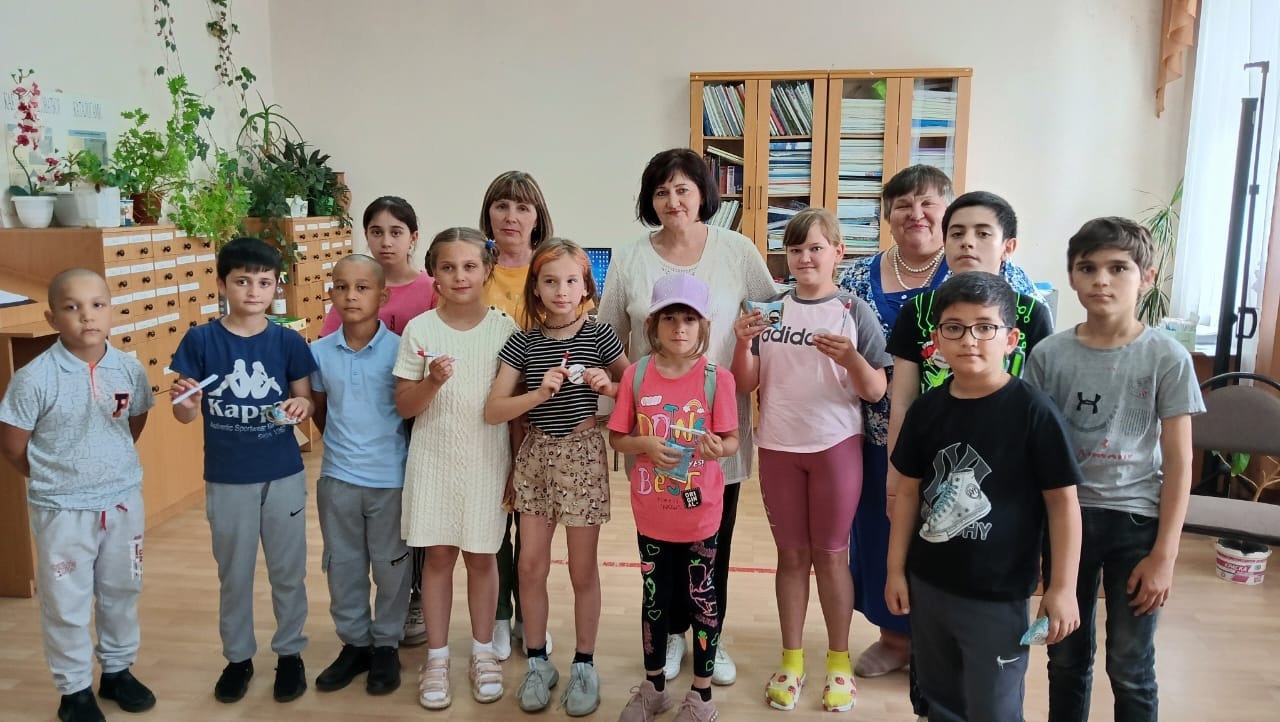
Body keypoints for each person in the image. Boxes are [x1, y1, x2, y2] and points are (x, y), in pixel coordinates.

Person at [836, 167, 1040, 700]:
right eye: (902, 204)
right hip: (885, 436)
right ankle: (899, 639)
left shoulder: (1006, 288)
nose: (916, 214)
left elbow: (1031, 373)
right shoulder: (861, 279)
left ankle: (963, 648)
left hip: (986, 451)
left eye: (928, 203)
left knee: (968, 541)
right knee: (887, 538)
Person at [597, 148, 776, 685]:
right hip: (653, 434)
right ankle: (672, 633)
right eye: (660, 192)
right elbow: (609, 334)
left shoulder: (737, 250)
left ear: (703, 194)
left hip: (716, 434)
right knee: (661, 542)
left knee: (711, 542)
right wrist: (641, 387)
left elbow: (770, 315)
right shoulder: (630, 257)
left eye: (682, 189)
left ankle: (708, 636)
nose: (672, 201)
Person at [1025, 217, 1205, 722]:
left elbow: (1180, 460)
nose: (1101, 280)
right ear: (1071, 276)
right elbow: (1033, 452)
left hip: (1137, 524)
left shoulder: (1167, 357)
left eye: (1118, 268)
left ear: (1146, 277)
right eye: (1087, 268)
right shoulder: (1049, 354)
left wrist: (1165, 555)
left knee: (1130, 663)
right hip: (1067, 521)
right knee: (1065, 657)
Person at [885, 272, 1083, 722]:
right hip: (930, 586)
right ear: (937, 339)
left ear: (1011, 339)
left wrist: (1062, 587)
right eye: (954, 327)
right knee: (940, 702)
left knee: (993, 707)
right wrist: (896, 570)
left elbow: (1063, 504)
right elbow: (909, 492)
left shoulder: (1034, 412)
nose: (969, 339)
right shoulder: (927, 410)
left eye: (985, 327)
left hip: (999, 595)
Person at [730, 208, 890, 713]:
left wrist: (851, 358)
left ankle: (839, 662)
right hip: (778, 447)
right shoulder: (769, 309)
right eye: (795, 249)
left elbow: (876, 389)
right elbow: (745, 383)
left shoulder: (852, 309)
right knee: (792, 556)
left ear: (838, 252)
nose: (804, 258)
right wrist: (742, 342)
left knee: (832, 554)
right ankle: (792, 660)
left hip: (835, 446)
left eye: (815, 248)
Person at [0, 269, 156, 722]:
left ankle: (118, 670)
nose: (87, 316)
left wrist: (109, 466)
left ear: (111, 311)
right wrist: (58, 479)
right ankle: (74, 691)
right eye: (72, 307)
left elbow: (134, 421)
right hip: (63, 510)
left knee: (122, 590)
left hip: (122, 501)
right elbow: (13, 445)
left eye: (97, 305)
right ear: (52, 318)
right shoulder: (35, 378)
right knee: (66, 602)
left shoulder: (128, 368)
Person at [484, 238, 630, 715]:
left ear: (586, 286)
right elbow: (494, 409)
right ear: (536, 288)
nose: (561, 290)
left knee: (583, 570)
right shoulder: (522, 342)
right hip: (535, 456)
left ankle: (585, 663)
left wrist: (610, 387)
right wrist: (536, 395)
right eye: (550, 281)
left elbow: (638, 387)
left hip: (583, 456)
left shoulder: (600, 334)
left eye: (571, 280)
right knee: (530, 567)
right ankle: (538, 661)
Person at [170, 237, 318, 705]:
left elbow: (305, 401)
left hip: (282, 473)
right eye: (242, 281)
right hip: (227, 477)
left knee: (288, 571)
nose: (254, 291)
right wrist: (187, 404)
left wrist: (301, 406)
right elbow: (183, 413)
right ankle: (238, 658)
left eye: (264, 282)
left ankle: (290, 653)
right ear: (222, 284)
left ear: (276, 287)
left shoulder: (288, 341)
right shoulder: (201, 341)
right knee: (233, 574)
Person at [394, 227, 520, 710]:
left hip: (488, 461)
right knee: (439, 557)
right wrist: (431, 382)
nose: (460, 276)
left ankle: (483, 651)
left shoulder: (504, 330)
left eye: (469, 266)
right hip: (433, 461)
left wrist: (516, 466)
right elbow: (405, 406)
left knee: (483, 557)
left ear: (487, 270)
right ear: (434, 273)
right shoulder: (420, 330)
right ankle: (438, 657)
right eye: (448, 267)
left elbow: (512, 410)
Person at [608, 273, 739, 722]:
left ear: (703, 326)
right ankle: (654, 687)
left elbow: (731, 440)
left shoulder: (717, 379)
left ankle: (702, 695)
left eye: (689, 319)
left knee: (702, 598)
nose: (679, 328)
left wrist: (718, 448)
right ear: (652, 324)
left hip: (701, 515)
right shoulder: (637, 375)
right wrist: (644, 444)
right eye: (669, 319)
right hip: (652, 514)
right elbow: (618, 438)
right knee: (655, 600)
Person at [309, 255, 412, 696]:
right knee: (344, 565)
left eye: (362, 287)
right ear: (331, 293)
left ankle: (386, 644)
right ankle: (354, 643)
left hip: (390, 480)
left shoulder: (401, 350)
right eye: (341, 286)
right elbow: (318, 410)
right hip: (337, 480)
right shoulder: (318, 352)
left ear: (382, 296)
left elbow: (409, 410)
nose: (351, 296)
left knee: (391, 567)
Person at [479, 170, 557, 661]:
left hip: (539, 420)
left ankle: (531, 614)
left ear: (537, 217)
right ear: (488, 213)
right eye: (502, 205)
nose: (511, 216)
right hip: (484, 417)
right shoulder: (475, 269)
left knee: (531, 528)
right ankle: (499, 616)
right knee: (491, 526)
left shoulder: (551, 270)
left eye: (522, 207)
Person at [319, 195, 437, 338]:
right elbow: (328, 341)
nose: (386, 242)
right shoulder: (352, 287)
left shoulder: (433, 289)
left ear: (413, 237)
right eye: (377, 233)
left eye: (396, 233)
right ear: (366, 235)